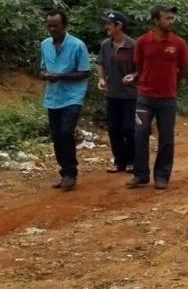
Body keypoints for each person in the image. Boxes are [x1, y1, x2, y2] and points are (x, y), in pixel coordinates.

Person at [126, 5, 188, 189]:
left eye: (172, 18)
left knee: (166, 137)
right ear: (156, 20)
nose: (171, 21)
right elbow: (139, 65)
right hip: (145, 96)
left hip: (168, 98)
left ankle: (162, 175)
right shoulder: (143, 42)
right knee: (140, 134)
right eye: (167, 18)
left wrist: (173, 83)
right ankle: (140, 174)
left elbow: (184, 68)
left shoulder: (179, 43)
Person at [39, 10, 91, 191]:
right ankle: (64, 171)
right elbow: (43, 68)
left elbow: (85, 72)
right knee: (56, 137)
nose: (52, 29)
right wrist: (46, 75)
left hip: (72, 96)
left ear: (64, 25)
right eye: (49, 25)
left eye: (56, 25)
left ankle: (71, 173)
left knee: (66, 133)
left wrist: (60, 76)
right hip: (53, 97)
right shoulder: (45, 44)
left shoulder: (77, 45)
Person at [97, 11, 136, 174]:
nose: (106, 27)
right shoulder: (106, 45)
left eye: (109, 24)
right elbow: (100, 63)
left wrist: (134, 76)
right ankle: (119, 161)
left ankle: (132, 161)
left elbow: (143, 68)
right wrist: (101, 78)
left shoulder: (133, 45)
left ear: (119, 26)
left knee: (129, 128)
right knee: (114, 128)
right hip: (112, 94)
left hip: (131, 95)